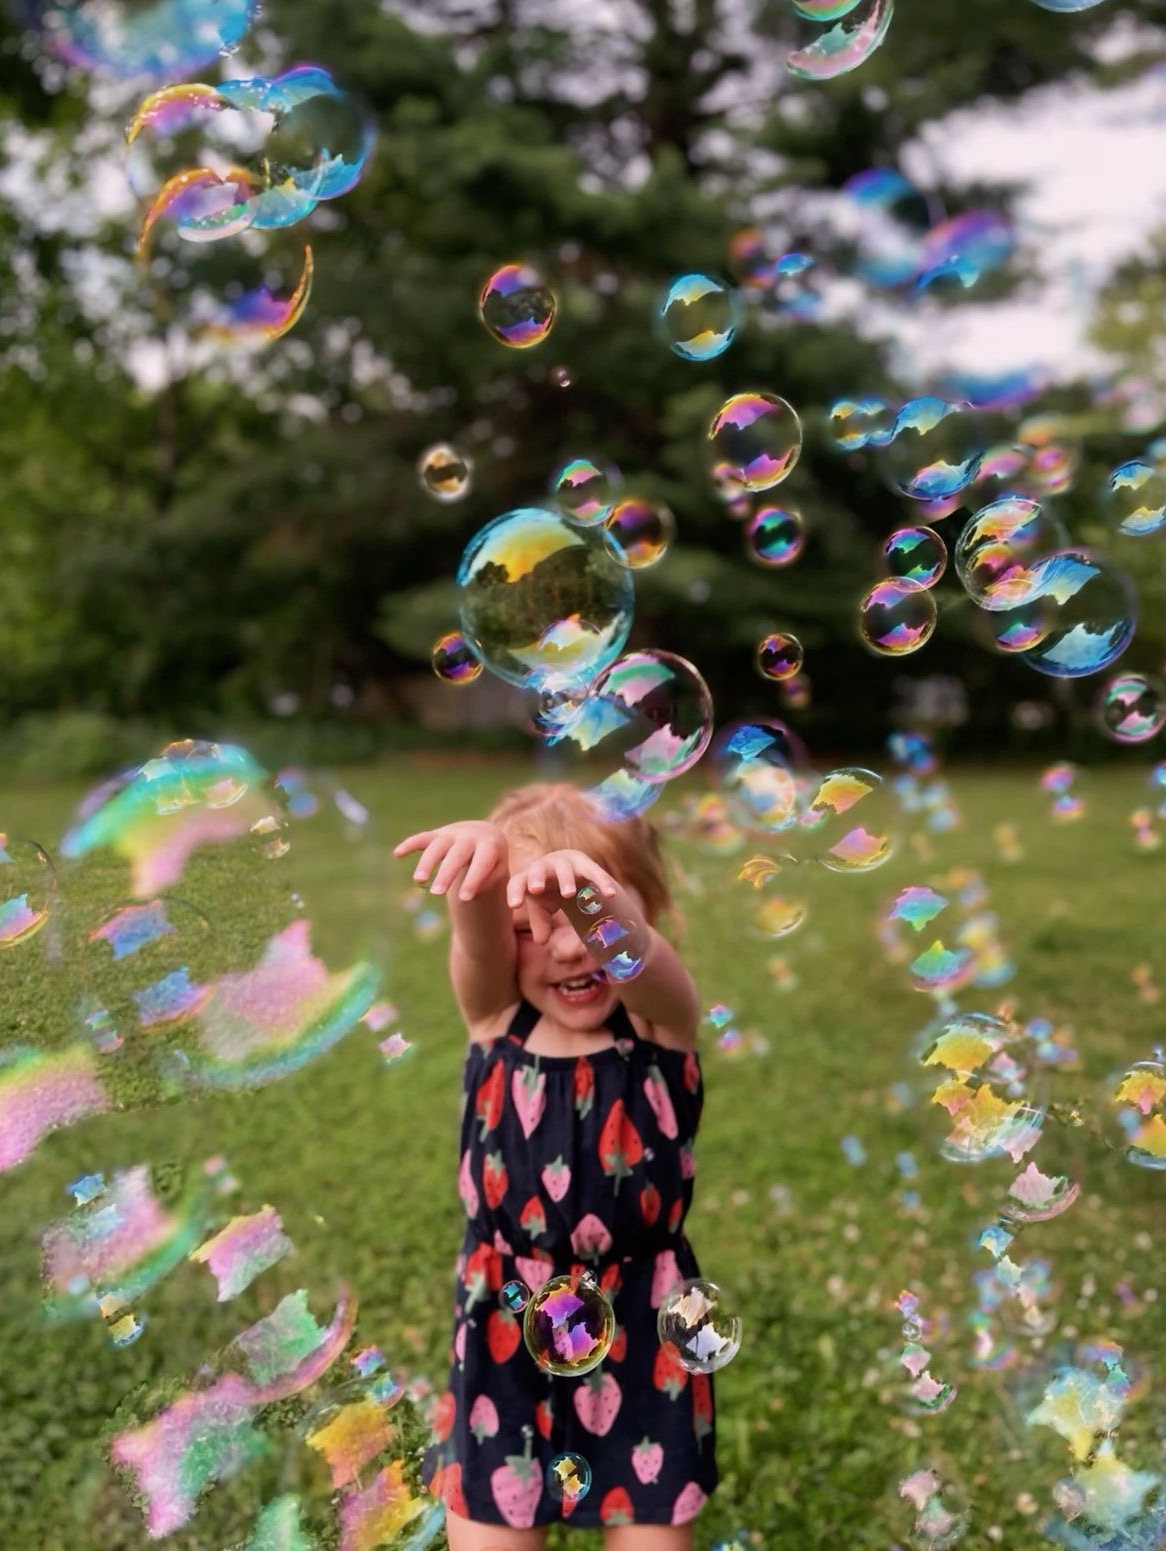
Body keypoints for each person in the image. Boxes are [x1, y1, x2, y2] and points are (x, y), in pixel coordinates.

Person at [393, 782, 717, 1551]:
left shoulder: (661, 1024)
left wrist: (596, 905)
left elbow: (640, 958)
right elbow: (478, 944)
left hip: (643, 1322)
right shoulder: (494, 1018)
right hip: (506, 1317)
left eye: (590, 912)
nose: (570, 945)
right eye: (531, 925)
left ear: (645, 912)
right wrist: (482, 872)